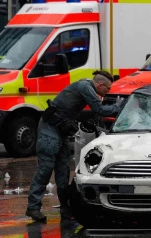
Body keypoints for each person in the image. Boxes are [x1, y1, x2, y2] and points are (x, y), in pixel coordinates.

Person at [26, 70, 124, 222]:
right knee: (45, 169)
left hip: (60, 130)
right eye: (107, 89)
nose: (108, 92)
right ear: (99, 84)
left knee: (63, 172)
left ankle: (66, 210)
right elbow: (100, 109)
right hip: (50, 129)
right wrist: (118, 106)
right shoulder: (86, 87)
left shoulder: (85, 87)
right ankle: (33, 207)